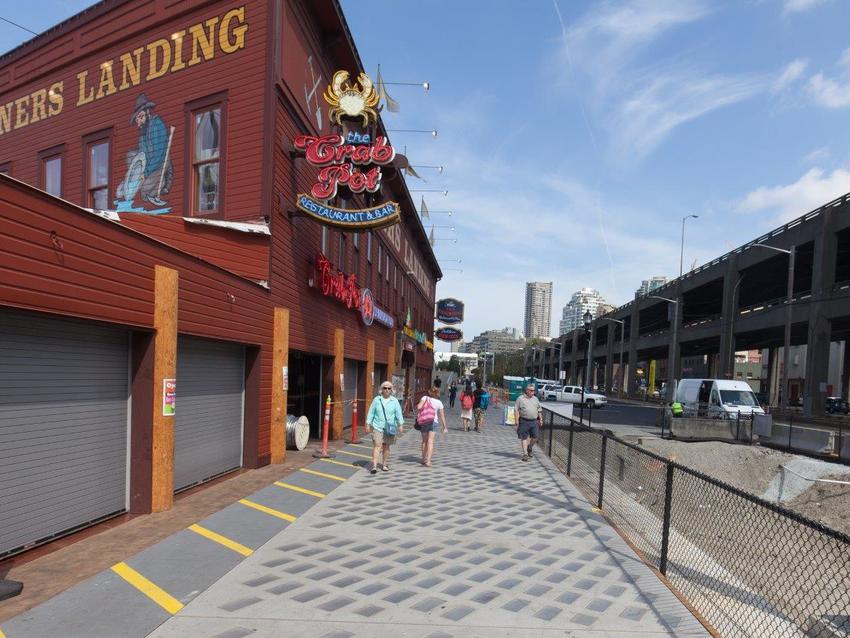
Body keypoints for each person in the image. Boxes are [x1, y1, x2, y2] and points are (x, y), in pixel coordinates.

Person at [365, 381, 404, 474]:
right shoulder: (377, 400)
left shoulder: (394, 401)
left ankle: (385, 464)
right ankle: (374, 466)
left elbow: (399, 413)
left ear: (391, 390)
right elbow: (371, 412)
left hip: (389, 428)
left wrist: (401, 425)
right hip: (377, 427)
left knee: (386, 447)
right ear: (381, 389)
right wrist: (367, 424)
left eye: (389, 388)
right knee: (377, 445)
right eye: (385, 388)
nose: (387, 390)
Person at [415, 386, 448, 467]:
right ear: (437, 393)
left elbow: (419, 407)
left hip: (424, 421)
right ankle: (428, 461)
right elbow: (442, 415)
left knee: (424, 441)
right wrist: (445, 427)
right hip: (434, 421)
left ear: (429, 392)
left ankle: (423, 459)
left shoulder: (425, 397)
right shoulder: (439, 402)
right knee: (430, 441)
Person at [514, 383, 542, 461]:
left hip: (534, 421)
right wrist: (516, 420)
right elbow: (516, 409)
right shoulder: (520, 398)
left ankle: (530, 447)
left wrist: (541, 419)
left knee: (535, 437)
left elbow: (539, 409)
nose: (533, 392)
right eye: (532, 390)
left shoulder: (535, 399)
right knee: (524, 438)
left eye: (534, 390)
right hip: (524, 421)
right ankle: (525, 454)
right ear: (527, 390)